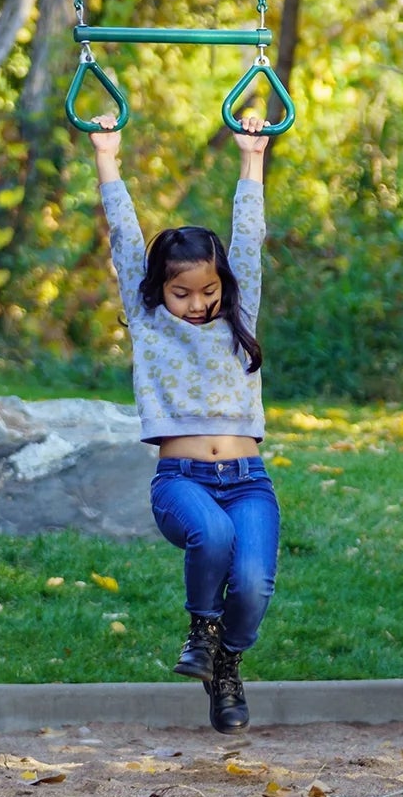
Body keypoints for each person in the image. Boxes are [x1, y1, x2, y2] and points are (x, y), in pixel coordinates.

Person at [86, 112, 275, 733]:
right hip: (182, 481)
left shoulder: (238, 316)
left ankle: (226, 664)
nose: (198, 304)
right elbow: (123, 235)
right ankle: (202, 629)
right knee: (212, 537)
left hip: (248, 480)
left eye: (208, 292)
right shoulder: (148, 324)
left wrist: (252, 157)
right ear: (159, 292)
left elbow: (248, 236)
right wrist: (107, 156)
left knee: (253, 583)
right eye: (182, 294)